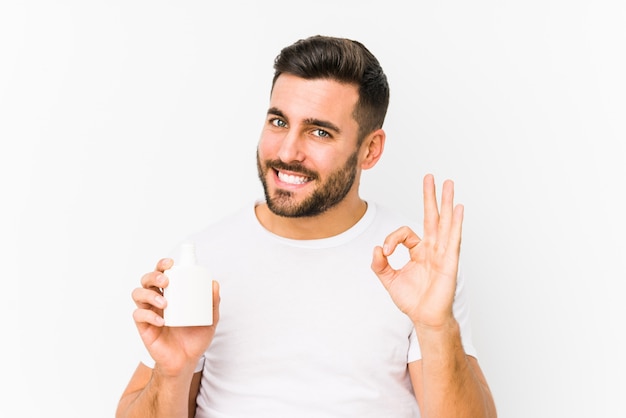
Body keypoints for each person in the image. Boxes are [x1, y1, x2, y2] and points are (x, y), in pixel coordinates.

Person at [116, 35, 497, 418]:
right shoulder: (201, 263)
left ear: (370, 150)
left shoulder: (414, 262)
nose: (286, 152)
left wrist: (436, 327)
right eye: (279, 121)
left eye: (319, 132)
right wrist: (172, 372)